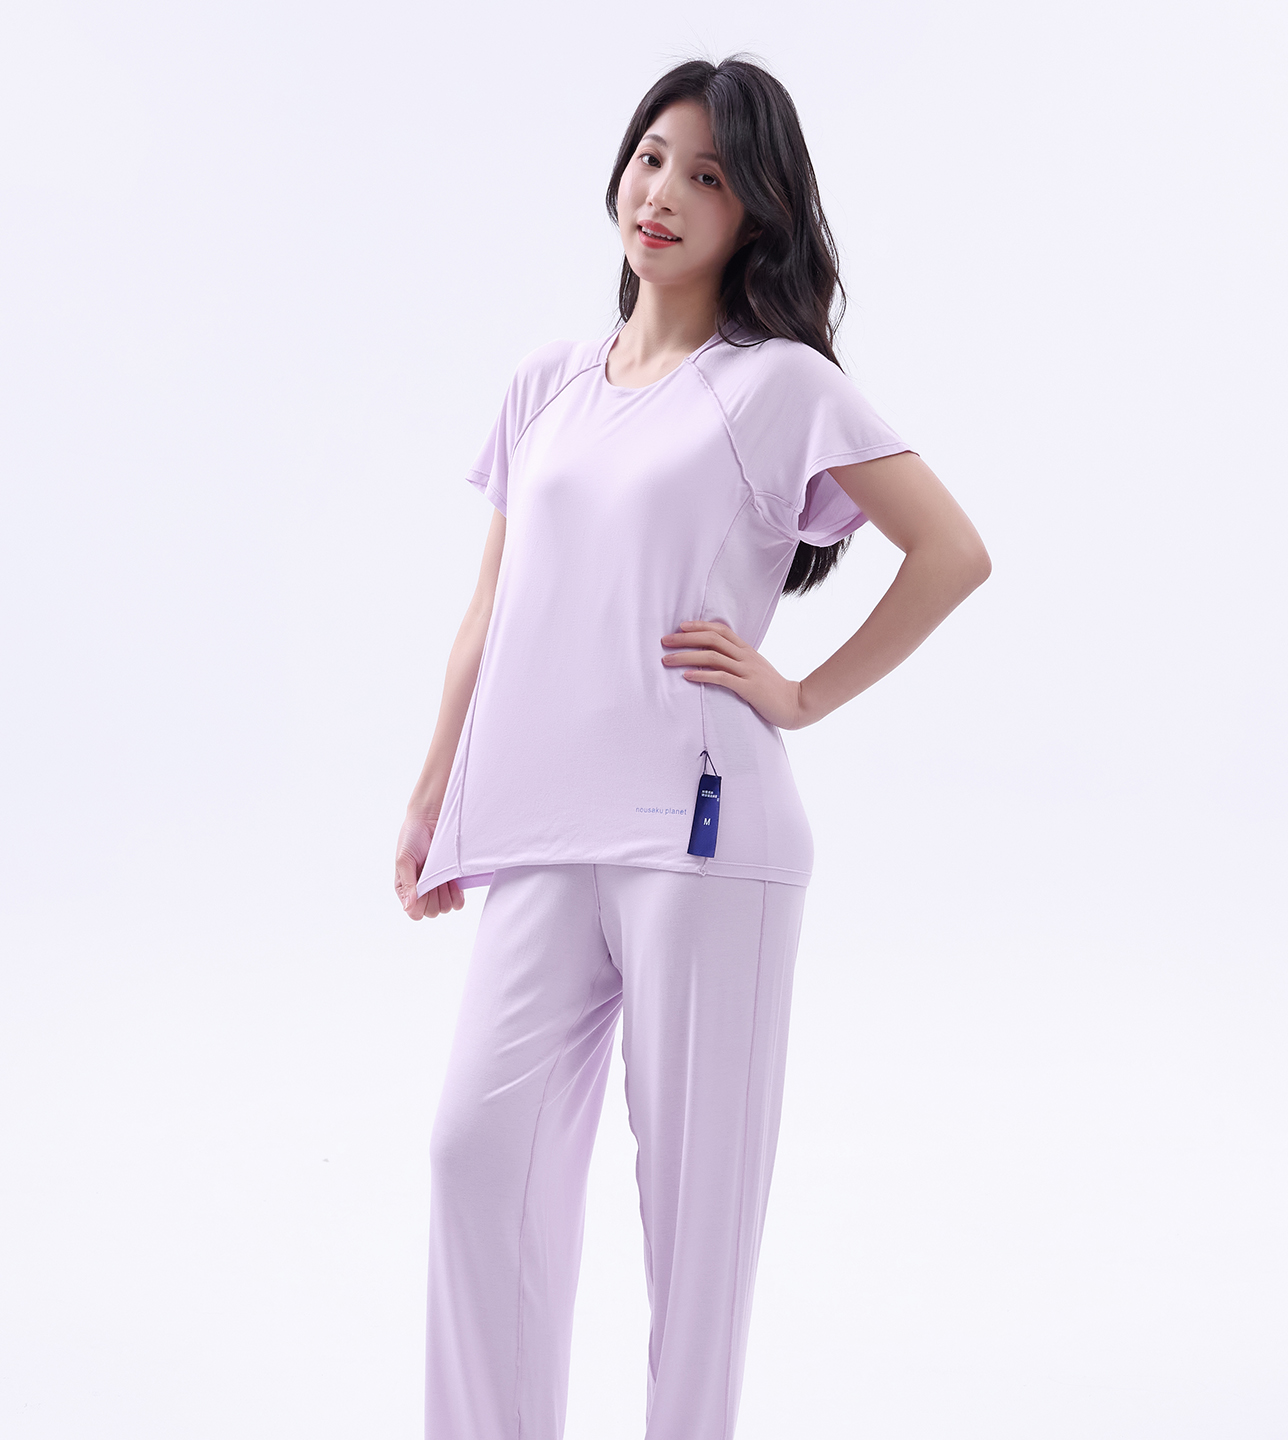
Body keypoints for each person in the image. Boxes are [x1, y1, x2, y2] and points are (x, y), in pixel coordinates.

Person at [393, 55, 991, 1440]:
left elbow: (953, 553)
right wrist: (431, 798)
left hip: (702, 843)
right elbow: (490, 611)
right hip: (539, 835)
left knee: (695, 1230)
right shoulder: (546, 384)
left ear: (754, 214)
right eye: (653, 156)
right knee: (474, 1156)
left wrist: (802, 695)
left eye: (708, 176)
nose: (662, 192)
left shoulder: (776, 386)